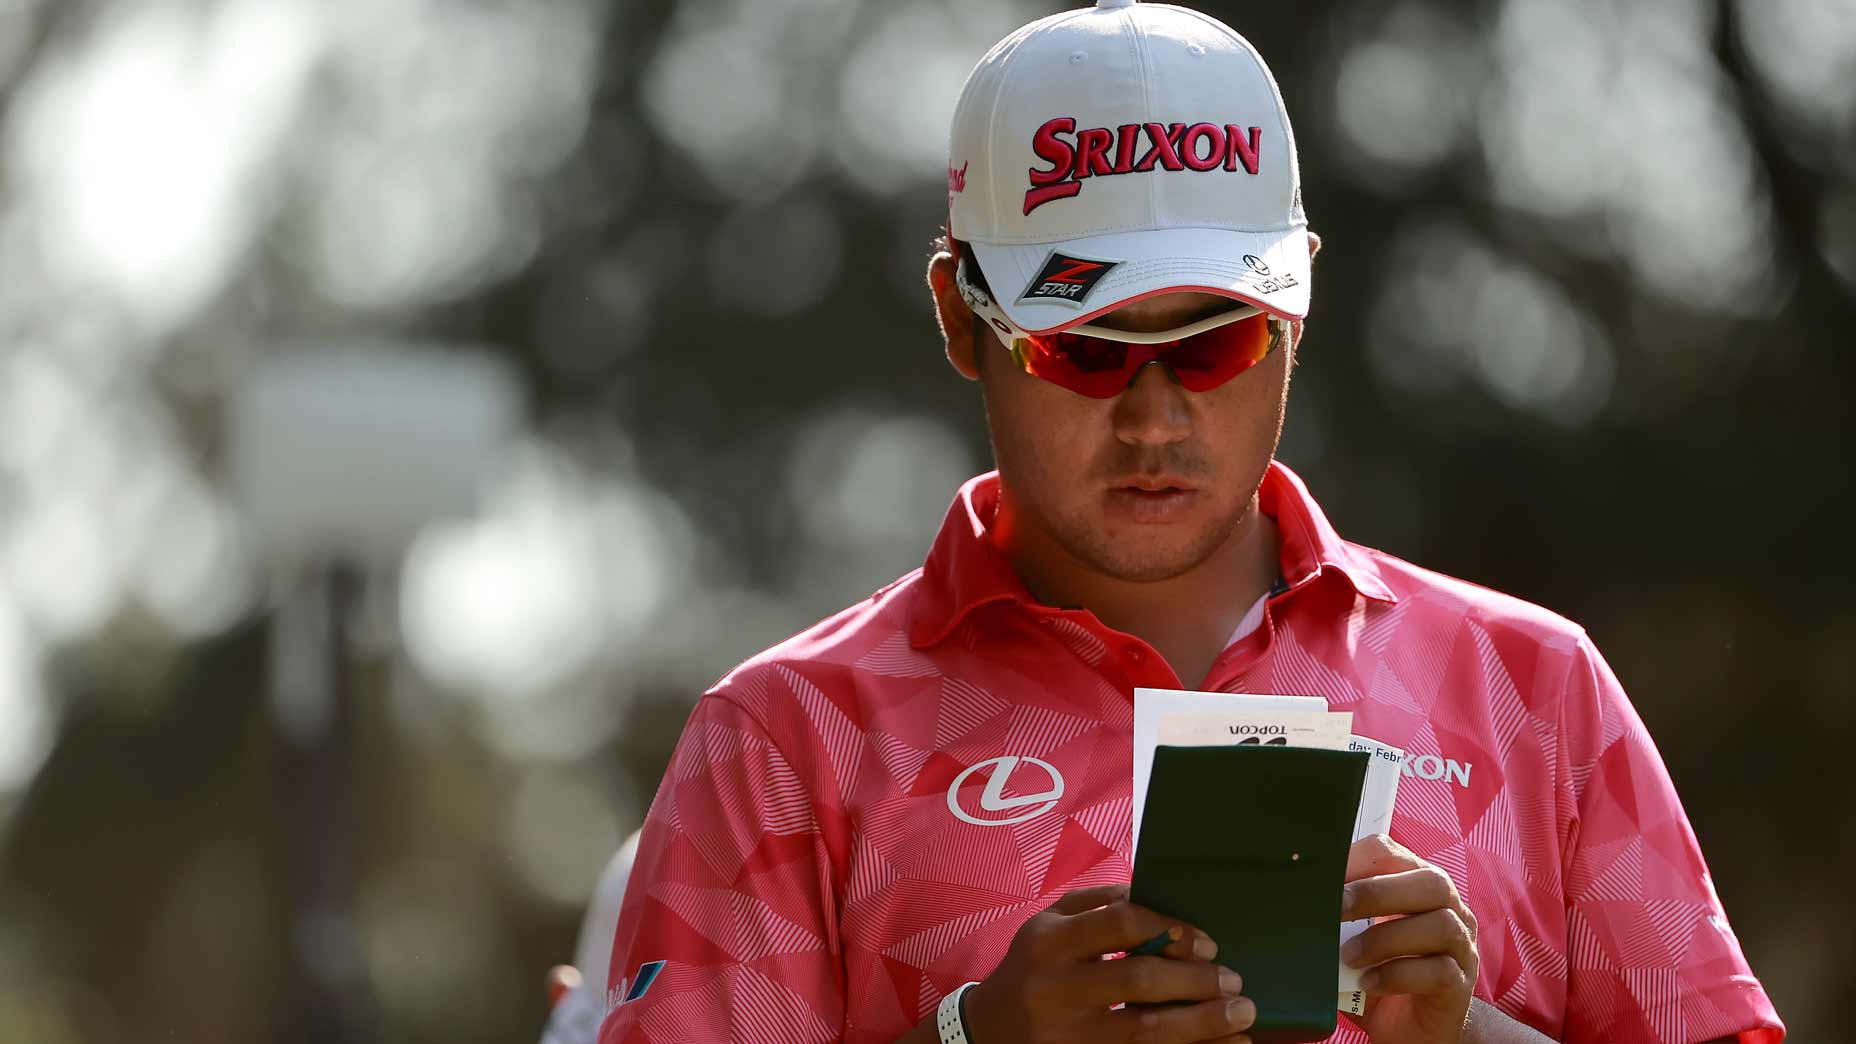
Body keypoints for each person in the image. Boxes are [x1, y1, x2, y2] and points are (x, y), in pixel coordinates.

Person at [597, 2, 1783, 1042]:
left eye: (1214, 341)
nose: (1155, 420)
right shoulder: (786, 739)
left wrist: (1466, 1039)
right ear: (960, 321)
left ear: (1298, 310)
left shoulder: (1532, 689)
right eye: (1085, 349)